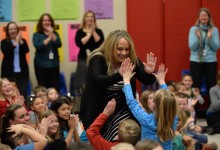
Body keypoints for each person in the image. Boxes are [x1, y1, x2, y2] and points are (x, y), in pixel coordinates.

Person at [80, 29, 157, 141]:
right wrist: (119, 75)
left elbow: (147, 80)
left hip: (124, 111)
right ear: (111, 47)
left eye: (127, 49)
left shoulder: (130, 59)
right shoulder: (98, 58)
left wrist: (149, 73)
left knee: (129, 139)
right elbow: (97, 80)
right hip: (101, 111)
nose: (124, 53)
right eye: (119, 49)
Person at [121, 58, 177, 150]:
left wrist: (126, 80)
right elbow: (168, 101)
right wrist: (162, 81)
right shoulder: (174, 119)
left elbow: (132, 102)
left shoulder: (147, 120)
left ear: (154, 105)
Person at [188, 8, 220, 95]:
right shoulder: (193, 29)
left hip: (211, 62)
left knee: (211, 85)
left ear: (209, 18)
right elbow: (192, 47)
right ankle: (194, 108)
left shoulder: (214, 30)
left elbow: (216, 47)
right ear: (198, 17)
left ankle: (212, 108)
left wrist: (210, 38)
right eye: (201, 15)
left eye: (205, 15)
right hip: (196, 61)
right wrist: (199, 38)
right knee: (195, 85)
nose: (203, 17)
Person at [74, 10, 104, 95]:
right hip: (83, 59)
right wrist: (89, 33)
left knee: (95, 78)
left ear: (94, 19)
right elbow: (80, 43)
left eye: (91, 17)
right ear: (84, 19)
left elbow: (99, 42)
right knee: (83, 81)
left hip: (95, 59)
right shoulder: (80, 31)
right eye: (88, 16)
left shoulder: (98, 31)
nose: (90, 18)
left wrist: (93, 31)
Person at [33, 13, 62, 92]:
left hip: (54, 65)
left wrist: (51, 34)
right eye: (45, 20)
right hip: (41, 65)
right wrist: (49, 38)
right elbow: (38, 46)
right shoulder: (37, 35)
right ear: (41, 22)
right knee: (43, 89)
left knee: (55, 87)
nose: (47, 22)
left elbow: (59, 44)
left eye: (49, 20)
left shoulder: (55, 34)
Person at [1, 21, 29, 101]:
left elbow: (26, 50)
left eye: (14, 29)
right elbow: (6, 51)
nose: (13, 31)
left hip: (22, 73)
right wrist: (16, 42)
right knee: (9, 96)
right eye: (10, 29)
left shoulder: (22, 41)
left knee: (23, 94)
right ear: (8, 31)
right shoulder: (4, 42)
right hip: (8, 74)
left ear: (17, 30)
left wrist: (20, 41)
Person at [206, 70, 220, 135]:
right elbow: (216, 107)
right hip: (213, 114)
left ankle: (210, 129)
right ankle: (212, 128)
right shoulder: (213, 89)